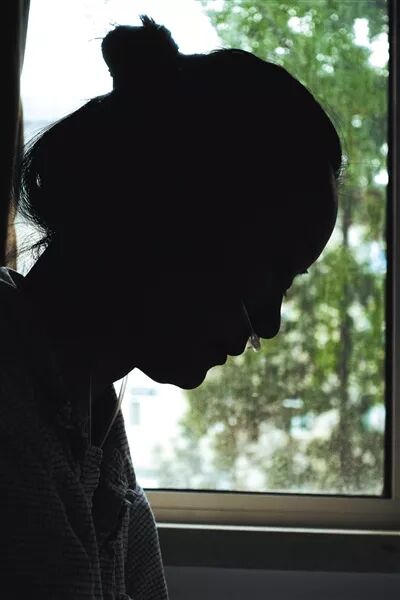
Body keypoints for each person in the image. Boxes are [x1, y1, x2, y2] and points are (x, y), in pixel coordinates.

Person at [0, 15, 342, 600]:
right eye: (268, 273)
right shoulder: (16, 431)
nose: (269, 324)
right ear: (170, 224)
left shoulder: (85, 417)